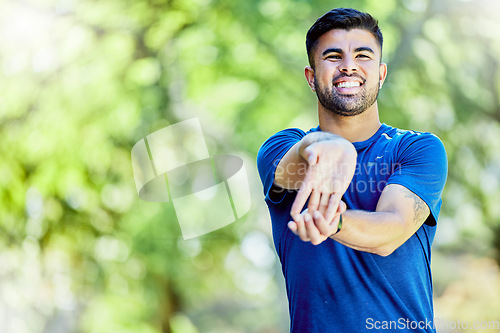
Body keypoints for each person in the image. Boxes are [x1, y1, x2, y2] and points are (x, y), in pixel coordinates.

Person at [256, 8, 448, 333]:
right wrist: (321, 146)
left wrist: (334, 222)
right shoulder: (281, 149)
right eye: (333, 56)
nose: (349, 65)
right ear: (311, 76)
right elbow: (289, 169)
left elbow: (393, 228)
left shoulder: (418, 149)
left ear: (381, 73)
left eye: (363, 55)